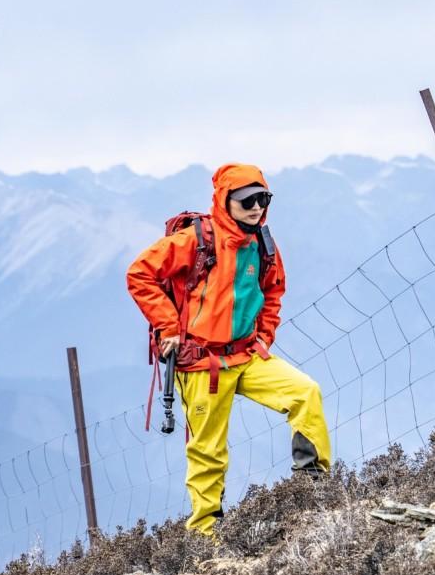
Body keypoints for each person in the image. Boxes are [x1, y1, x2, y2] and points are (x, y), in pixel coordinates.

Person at [125, 162, 332, 537]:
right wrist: (169, 327)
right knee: (208, 450)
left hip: (247, 355)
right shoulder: (195, 239)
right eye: (247, 200)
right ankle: (206, 535)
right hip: (202, 363)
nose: (256, 207)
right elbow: (139, 273)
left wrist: (265, 337)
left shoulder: (262, 242)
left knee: (305, 393)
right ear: (225, 200)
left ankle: (314, 491)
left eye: (263, 198)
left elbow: (274, 291)